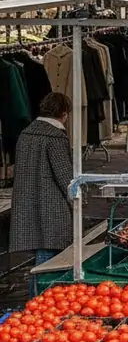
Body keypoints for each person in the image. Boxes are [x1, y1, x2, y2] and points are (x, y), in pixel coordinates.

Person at [9, 92, 73, 266]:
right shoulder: (56, 137)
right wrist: (78, 201)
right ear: (64, 113)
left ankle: (36, 293)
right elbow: (65, 178)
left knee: (41, 258)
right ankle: (40, 293)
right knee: (48, 262)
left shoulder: (25, 134)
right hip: (51, 209)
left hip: (27, 205)